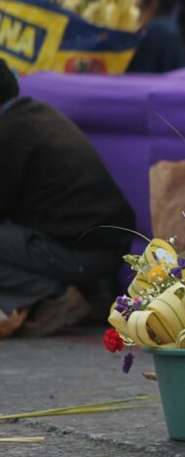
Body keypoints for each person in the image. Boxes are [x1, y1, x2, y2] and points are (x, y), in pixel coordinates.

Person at [0, 64, 135, 338]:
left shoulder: (9, 133)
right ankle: (91, 293)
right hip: (105, 244)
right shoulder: (33, 112)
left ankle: (56, 296)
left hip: (83, 251)